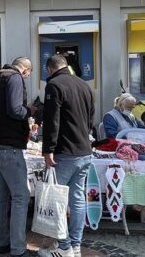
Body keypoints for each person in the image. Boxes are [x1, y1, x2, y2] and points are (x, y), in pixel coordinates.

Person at [38, 55, 94, 257]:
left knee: (57, 200)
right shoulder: (83, 84)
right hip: (84, 150)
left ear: (50, 69)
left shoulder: (54, 84)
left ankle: (64, 247)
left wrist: (48, 149)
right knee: (78, 198)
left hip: (65, 151)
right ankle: (75, 245)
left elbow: (52, 120)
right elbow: (90, 118)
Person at [0, 57, 33, 257]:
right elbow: (15, 109)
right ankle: (18, 248)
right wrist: (29, 111)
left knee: (1, 195)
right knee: (21, 196)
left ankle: (2, 243)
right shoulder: (14, 78)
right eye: (28, 75)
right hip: (9, 144)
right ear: (26, 71)